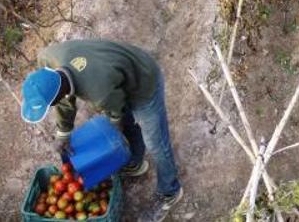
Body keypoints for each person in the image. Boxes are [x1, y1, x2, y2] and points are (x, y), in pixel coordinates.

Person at [22, 39, 183, 219]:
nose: (52, 106)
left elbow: (117, 118)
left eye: (51, 103)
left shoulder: (99, 91)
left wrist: (111, 145)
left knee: (155, 142)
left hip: (143, 79)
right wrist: (63, 133)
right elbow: (64, 100)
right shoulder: (47, 61)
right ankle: (135, 163)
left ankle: (170, 191)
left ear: (59, 92)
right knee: (129, 122)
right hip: (116, 76)